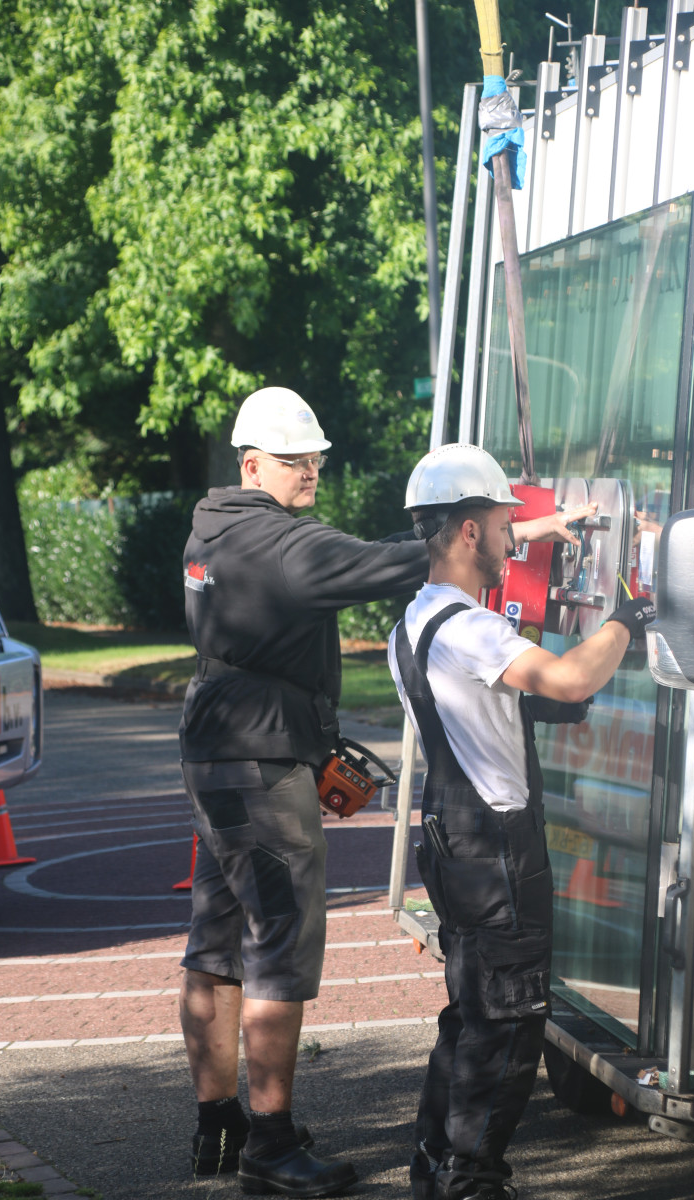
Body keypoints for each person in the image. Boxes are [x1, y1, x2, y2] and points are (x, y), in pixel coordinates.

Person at [177, 385, 435, 1197]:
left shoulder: (210, 528)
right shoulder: (281, 542)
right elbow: (383, 562)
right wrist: (479, 536)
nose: (311, 469)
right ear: (253, 464)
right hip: (262, 756)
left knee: (215, 944)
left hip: (215, 745)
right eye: (295, 460)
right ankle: (273, 1146)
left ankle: (220, 1126)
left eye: (315, 457)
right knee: (280, 947)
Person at [387, 443, 656, 1200]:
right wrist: (627, 618)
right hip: (496, 852)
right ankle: (472, 1182)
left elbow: (496, 704)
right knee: (508, 1025)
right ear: (469, 532)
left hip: (452, 838)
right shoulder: (472, 629)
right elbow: (569, 674)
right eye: (507, 526)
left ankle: (435, 1167)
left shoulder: (414, 620)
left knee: (469, 1014)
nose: (514, 541)